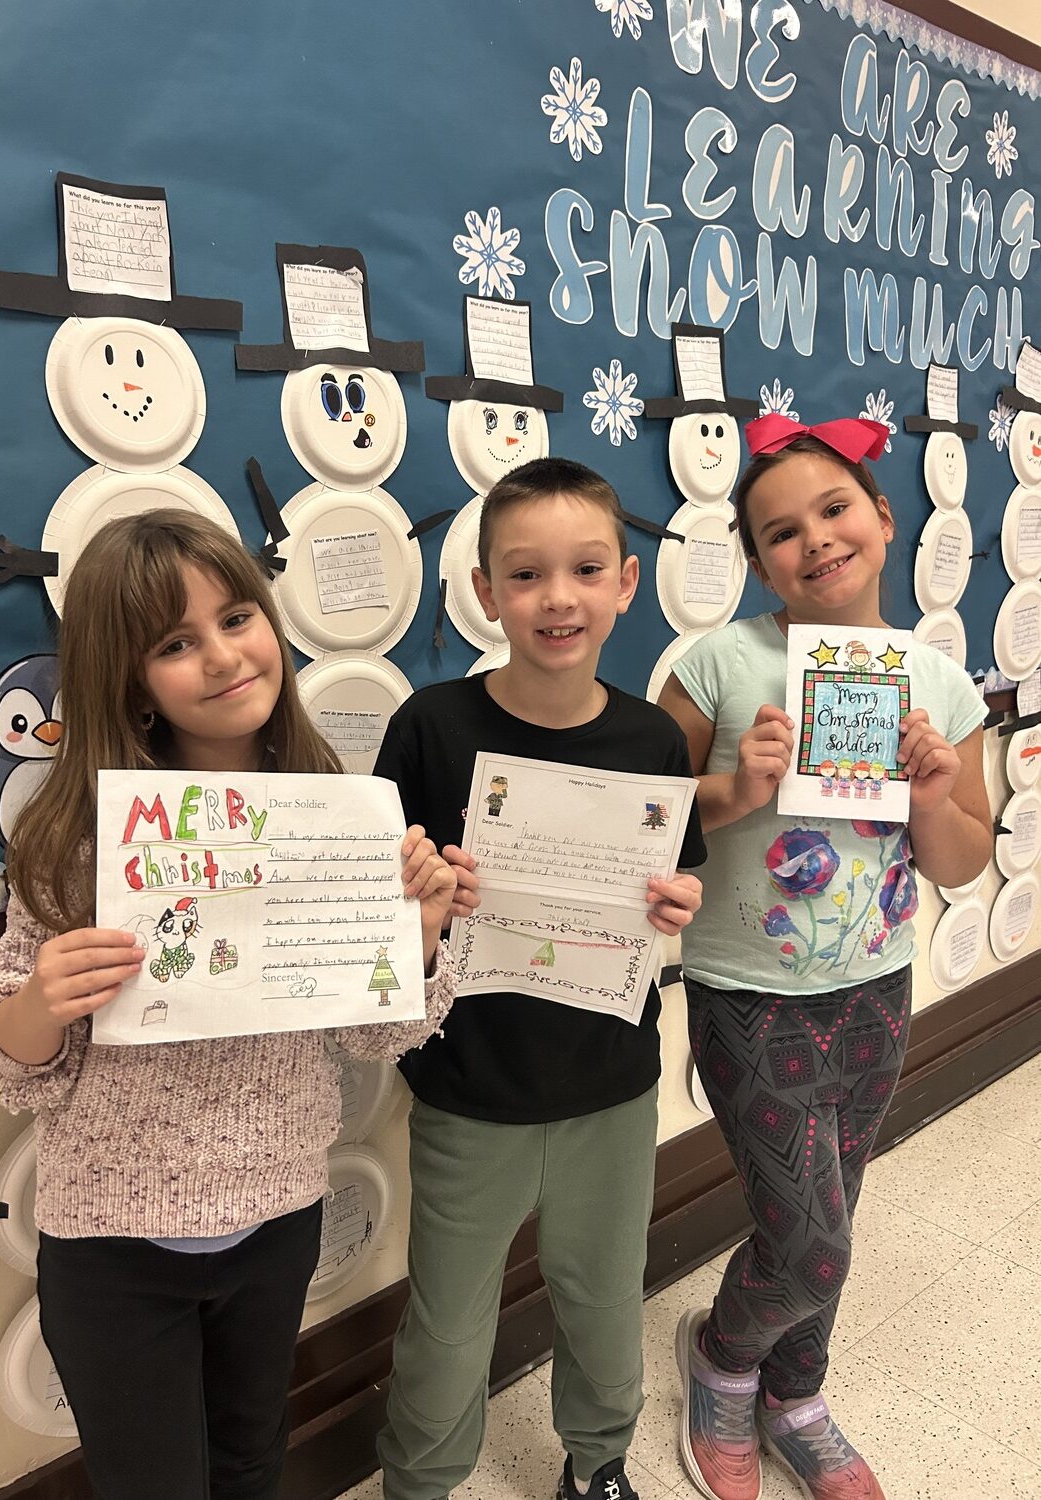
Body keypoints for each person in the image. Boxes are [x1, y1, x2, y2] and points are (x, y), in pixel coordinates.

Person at [0, 511, 457, 1500]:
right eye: (175, 643)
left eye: (237, 618)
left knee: (251, 1456)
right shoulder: (82, 840)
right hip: (113, 1249)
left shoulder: (330, 812)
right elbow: (2, 1053)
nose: (223, 656)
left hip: (275, 1222)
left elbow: (376, 1028)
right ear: (128, 679)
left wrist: (419, 936)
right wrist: (39, 1004)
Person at [659, 416, 991, 1500]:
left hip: (877, 992)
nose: (815, 541)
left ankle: (798, 1393)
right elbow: (640, 823)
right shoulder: (716, 664)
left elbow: (960, 855)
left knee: (833, 1209)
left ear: (885, 520)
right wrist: (729, 790)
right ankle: (723, 1359)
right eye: (780, 532)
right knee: (809, 1244)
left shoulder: (938, 686)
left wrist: (936, 797)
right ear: (756, 562)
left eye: (834, 510)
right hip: (750, 995)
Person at [373, 456, 706, 1500]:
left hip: (609, 1080)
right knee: (450, 1315)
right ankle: (422, 1481)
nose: (556, 597)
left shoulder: (652, 737)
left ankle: (600, 1462)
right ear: (484, 593)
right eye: (524, 575)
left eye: (584, 569)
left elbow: (667, 889)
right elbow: (385, 920)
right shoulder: (431, 728)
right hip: (470, 1086)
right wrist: (416, 892)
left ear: (626, 583)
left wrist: (674, 910)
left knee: (605, 1297)